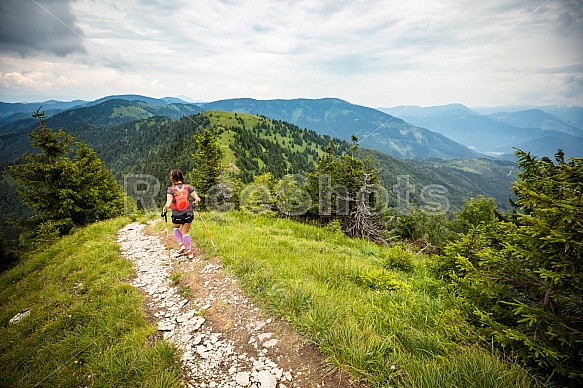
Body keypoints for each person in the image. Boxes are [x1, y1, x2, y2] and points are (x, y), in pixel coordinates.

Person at [162, 169, 201, 259]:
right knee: (185, 232)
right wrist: (195, 202)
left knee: (176, 227)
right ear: (181, 177)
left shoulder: (171, 189)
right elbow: (198, 199)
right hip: (189, 213)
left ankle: (181, 245)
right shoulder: (188, 187)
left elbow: (168, 204)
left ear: (172, 178)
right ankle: (190, 252)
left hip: (177, 215)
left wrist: (164, 210)